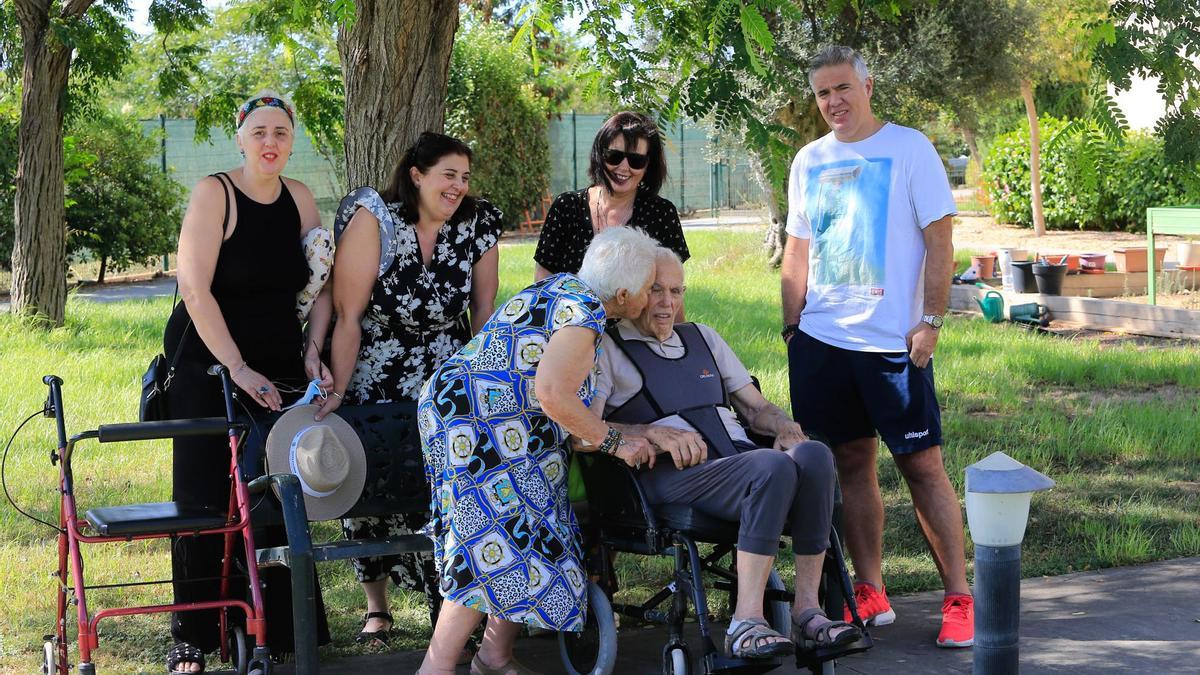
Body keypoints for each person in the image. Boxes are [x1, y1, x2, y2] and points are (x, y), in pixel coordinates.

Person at [779, 45, 971, 648]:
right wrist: (792, 327)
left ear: (866, 85)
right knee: (850, 465)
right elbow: (798, 248)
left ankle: (958, 598)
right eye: (822, 93)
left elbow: (940, 243)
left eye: (843, 88)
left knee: (922, 466)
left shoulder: (910, 148)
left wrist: (931, 321)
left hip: (894, 345)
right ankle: (870, 590)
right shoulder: (809, 160)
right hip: (822, 342)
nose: (833, 101)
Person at [416, 227, 661, 675]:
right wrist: (616, 443)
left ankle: (494, 658)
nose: (651, 299)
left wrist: (623, 432)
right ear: (624, 294)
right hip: (481, 425)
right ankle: (437, 668)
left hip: (484, 420)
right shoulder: (584, 313)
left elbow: (558, 403)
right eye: (648, 289)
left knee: (531, 532)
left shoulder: (562, 287)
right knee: (490, 540)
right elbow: (553, 394)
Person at [592, 250, 861, 658]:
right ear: (633, 292)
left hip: (738, 462)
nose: (667, 303)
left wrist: (784, 426)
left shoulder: (703, 338)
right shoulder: (608, 349)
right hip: (673, 476)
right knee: (770, 465)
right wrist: (649, 432)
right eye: (656, 290)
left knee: (815, 456)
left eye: (677, 291)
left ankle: (808, 611)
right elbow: (587, 429)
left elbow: (755, 408)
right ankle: (745, 621)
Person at [162, 91, 333, 673]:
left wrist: (314, 347)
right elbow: (194, 288)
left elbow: (322, 284)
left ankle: (279, 627)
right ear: (239, 138)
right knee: (204, 497)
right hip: (208, 362)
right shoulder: (214, 193)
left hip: (279, 361)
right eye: (259, 131)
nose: (270, 142)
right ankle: (193, 633)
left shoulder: (300, 197)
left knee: (275, 489)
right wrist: (237, 367)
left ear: (292, 140)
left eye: (280, 132)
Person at [314, 132, 502, 648]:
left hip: (447, 372)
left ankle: (449, 603)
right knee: (371, 483)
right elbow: (349, 316)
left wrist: (485, 383)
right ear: (417, 175)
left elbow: (484, 310)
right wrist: (339, 391)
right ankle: (377, 608)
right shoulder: (376, 220)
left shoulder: (479, 223)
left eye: (465, 177)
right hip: (377, 369)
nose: (458, 186)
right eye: (448, 175)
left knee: (443, 485)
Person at [533, 112, 689, 294]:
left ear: (648, 166)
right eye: (614, 156)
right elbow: (543, 280)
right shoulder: (566, 207)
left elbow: (671, 290)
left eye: (636, 160)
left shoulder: (662, 214)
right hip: (568, 312)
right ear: (600, 155)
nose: (623, 167)